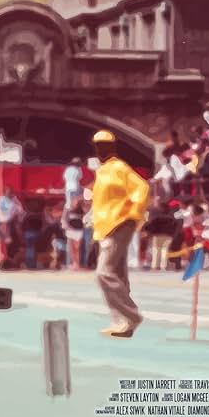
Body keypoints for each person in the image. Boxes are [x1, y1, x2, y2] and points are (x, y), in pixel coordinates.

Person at [91, 128, 149, 337]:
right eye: (97, 146)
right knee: (117, 275)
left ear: (111, 147)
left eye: (104, 146)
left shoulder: (119, 168)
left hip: (119, 224)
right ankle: (122, 322)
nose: (100, 150)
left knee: (104, 273)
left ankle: (131, 315)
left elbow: (141, 188)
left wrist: (133, 215)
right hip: (105, 227)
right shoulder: (101, 171)